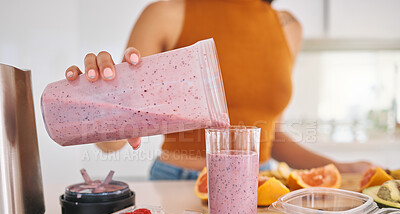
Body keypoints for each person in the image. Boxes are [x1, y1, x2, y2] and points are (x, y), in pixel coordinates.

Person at [65, 0, 372, 180]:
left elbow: (271, 138)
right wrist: (99, 106)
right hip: (179, 182)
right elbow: (116, 141)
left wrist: (343, 168)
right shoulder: (165, 13)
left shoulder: (288, 26)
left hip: (260, 183)